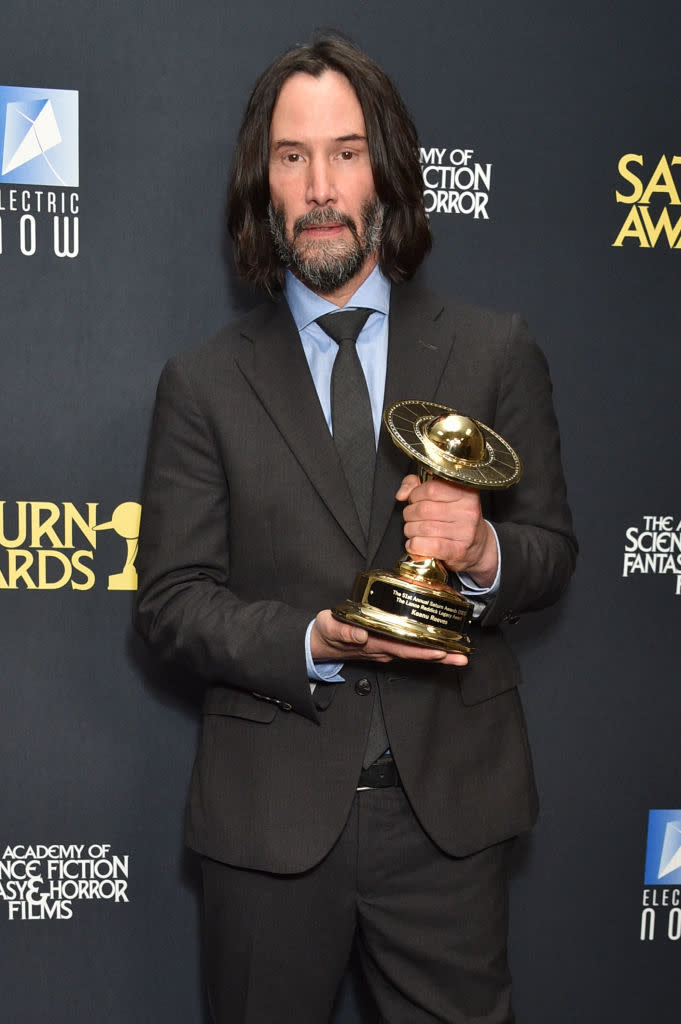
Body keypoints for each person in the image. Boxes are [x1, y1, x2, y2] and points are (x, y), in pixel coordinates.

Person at [135, 34, 576, 1024]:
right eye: (293, 157)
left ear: (389, 171)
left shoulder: (492, 348)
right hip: (269, 825)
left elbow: (550, 550)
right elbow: (169, 605)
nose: (322, 184)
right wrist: (309, 641)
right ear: (265, 182)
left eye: (346, 151)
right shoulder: (203, 384)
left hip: (449, 822)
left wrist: (482, 552)